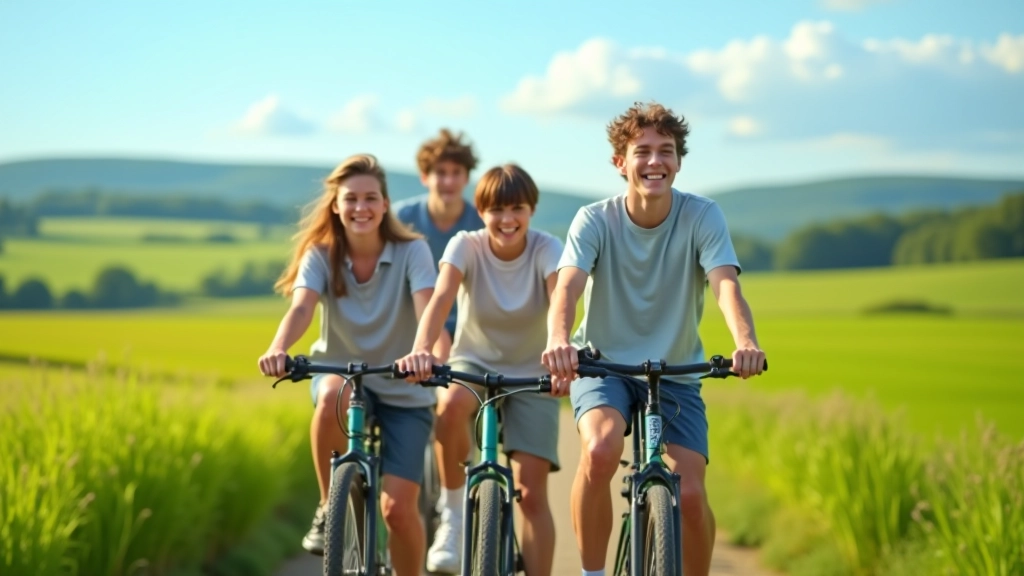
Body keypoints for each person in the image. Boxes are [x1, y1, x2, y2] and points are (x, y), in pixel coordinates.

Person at [540, 102, 766, 576]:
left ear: (679, 161)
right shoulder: (594, 219)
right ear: (620, 162)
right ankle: (593, 572)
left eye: (666, 151)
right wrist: (559, 339)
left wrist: (745, 340)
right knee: (600, 451)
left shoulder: (702, 215)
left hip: (675, 370)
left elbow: (725, 283)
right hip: (603, 366)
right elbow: (569, 285)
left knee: (689, 490)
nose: (654, 161)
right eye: (642, 151)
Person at [257, 153, 442, 576]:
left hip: (404, 388)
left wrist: (423, 351)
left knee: (397, 510)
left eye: (371, 198)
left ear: (384, 204)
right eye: (351, 199)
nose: (361, 207)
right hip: (342, 375)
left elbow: (426, 306)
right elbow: (302, 308)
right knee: (330, 398)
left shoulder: (413, 251)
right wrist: (279, 347)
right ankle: (328, 506)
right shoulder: (320, 254)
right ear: (336, 206)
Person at [398, 164, 565, 576]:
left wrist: (560, 348)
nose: (507, 219)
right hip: (473, 361)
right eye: (496, 210)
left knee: (533, 493)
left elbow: (559, 301)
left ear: (532, 210)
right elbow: (440, 298)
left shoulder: (547, 248)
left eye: (517, 209)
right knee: (450, 408)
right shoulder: (465, 245)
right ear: (481, 210)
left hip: (533, 370)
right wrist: (422, 349)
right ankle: (453, 513)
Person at [393, 128, 485, 361]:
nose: (449, 181)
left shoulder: (483, 223)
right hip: (411, 331)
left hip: (470, 334)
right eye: (440, 172)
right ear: (425, 177)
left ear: (467, 177)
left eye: (456, 172)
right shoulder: (400, 219)